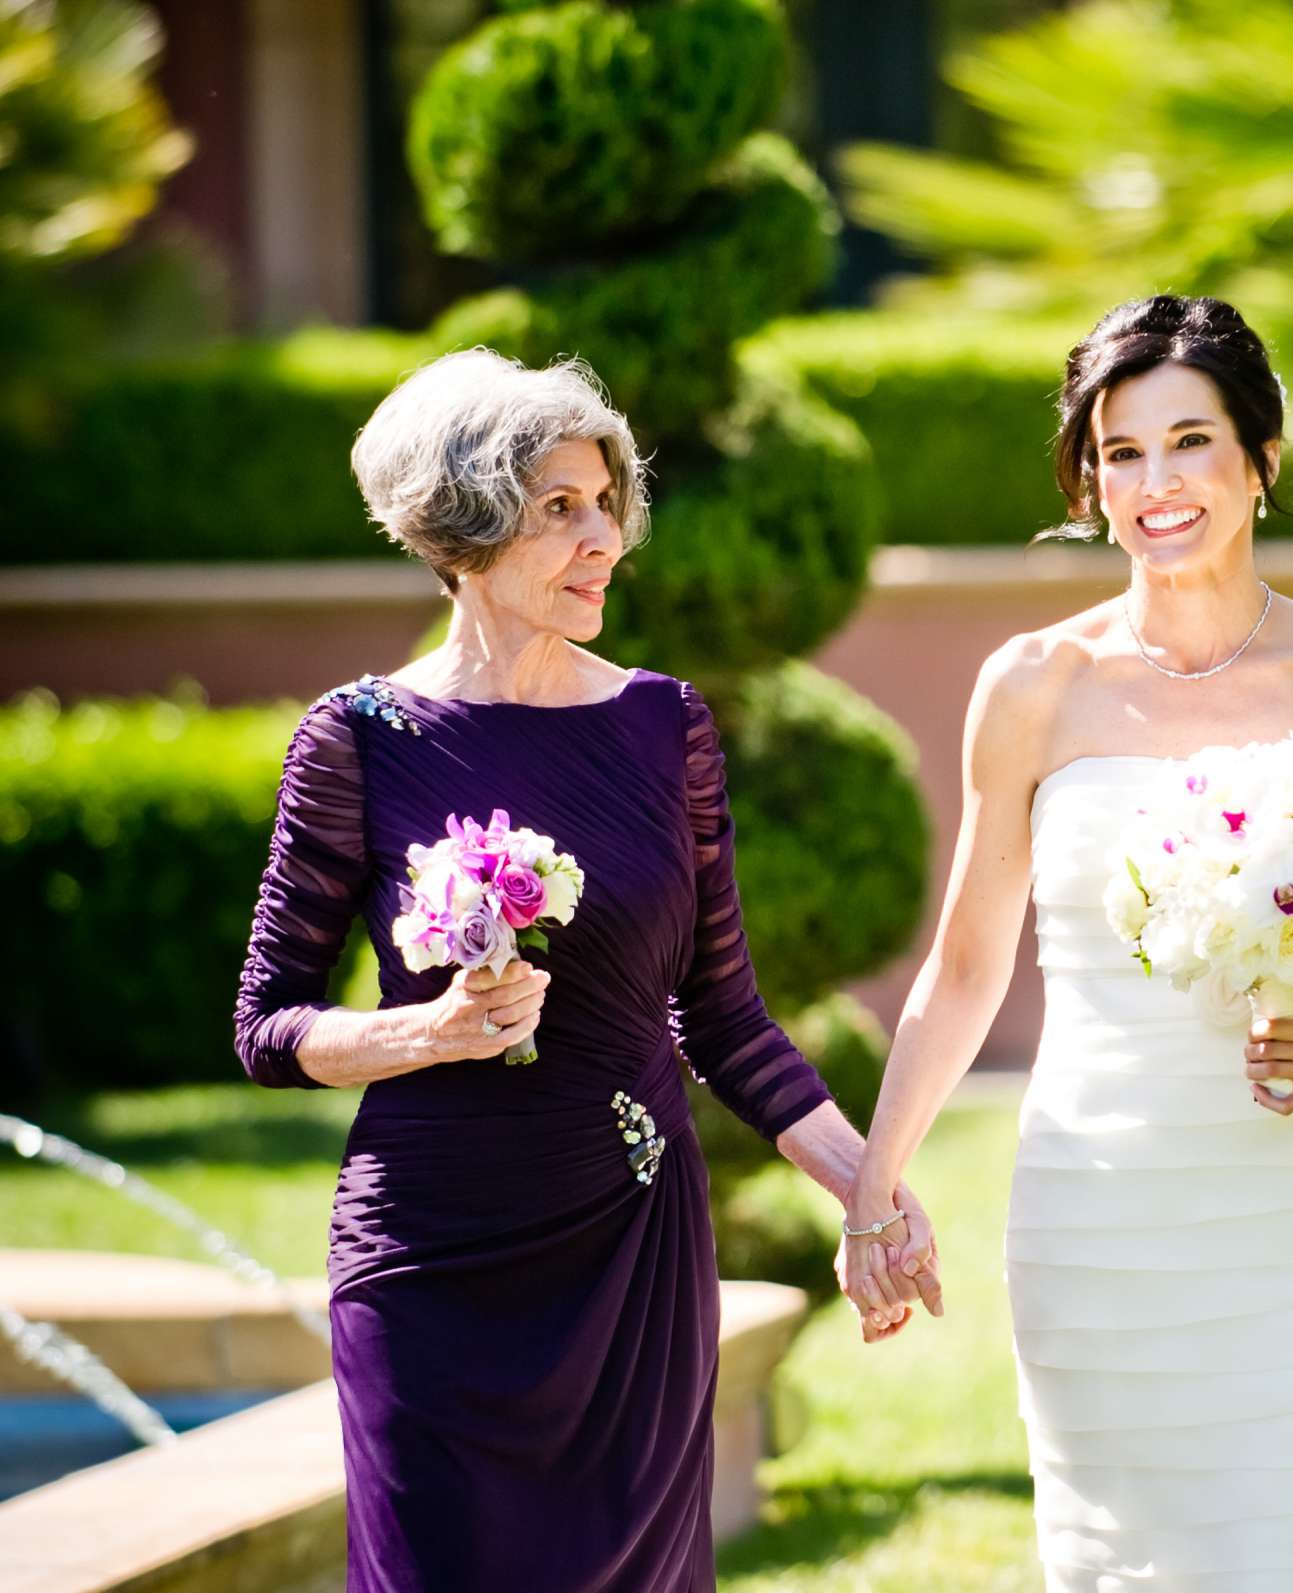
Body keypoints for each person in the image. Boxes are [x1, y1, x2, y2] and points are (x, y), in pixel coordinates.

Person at [232, 350, 921, 1591]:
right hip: (429, 1258)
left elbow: (726, 1017)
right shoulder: (357, 738)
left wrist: (866, 1187)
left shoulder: (666, 726)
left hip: (632, 1253)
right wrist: (422, 1033)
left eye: (608, 503)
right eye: (560, 508)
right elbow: (266, 1025)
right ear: (467, 523)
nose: (604, 536)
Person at [835, 295, 1293, 1589]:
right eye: (1120, 453)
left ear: (1263, 460)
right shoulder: (1034, 685)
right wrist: (876, 1185)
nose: (1156, 484)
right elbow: (966, 966)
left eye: (1190, 442)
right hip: (1096, 1217)